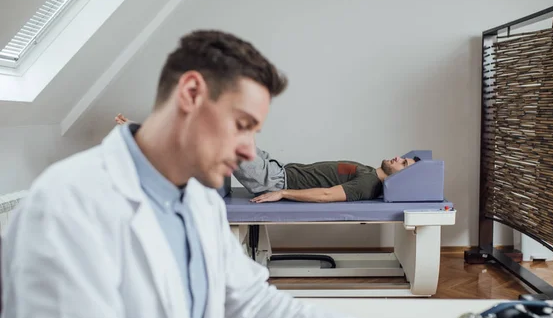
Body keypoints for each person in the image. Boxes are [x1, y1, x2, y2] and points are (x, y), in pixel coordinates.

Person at [0, 30, 429, 318]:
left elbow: (253, 302)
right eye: (242, 125)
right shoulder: (65, 205)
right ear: (190, 93)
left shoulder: (198, 198)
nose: (248, 150)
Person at [115, 113, 420, 204]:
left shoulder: (367, 184)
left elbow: (327, 194)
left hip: (273, 179)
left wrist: (282, 192)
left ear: (403, 177)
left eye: (403, 163)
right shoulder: (369, 170)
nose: (397, 158)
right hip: (274, 168)